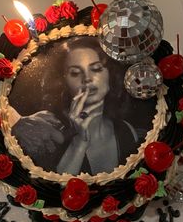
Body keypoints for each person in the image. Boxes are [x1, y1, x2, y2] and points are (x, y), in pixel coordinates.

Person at [10, 36, 141, 175]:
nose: (87, 78)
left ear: (110, 74)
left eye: (96, 69)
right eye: (75, 73)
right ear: (63, 82)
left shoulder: (126, 130)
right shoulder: (48, 134)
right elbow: (54, 190)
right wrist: (80, 142)